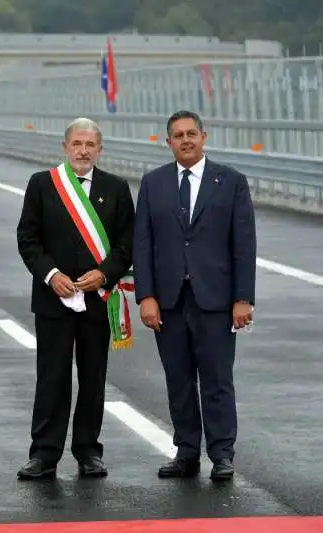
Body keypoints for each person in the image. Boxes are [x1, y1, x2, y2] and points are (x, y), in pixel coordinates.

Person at [132, 110, 256, 481]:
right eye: (178, 136)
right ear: (167, 142)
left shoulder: (230, 181)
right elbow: (143, 243)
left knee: (217, 379)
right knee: (178, 379)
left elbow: (243, 244)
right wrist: (146, 296)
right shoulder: (153, 183)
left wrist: (243, 298)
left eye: (192, 134)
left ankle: (222, 454)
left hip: (216, 300)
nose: (185, 140)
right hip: (168, 301)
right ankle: (187, 452)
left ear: (204, 136)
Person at [15, 117, 135, 480]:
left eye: (90, 145)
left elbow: (126, 244)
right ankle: (44, 454)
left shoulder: (115, 188)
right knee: (52, 377)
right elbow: (28, 239)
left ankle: (88, 451)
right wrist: (52, 276)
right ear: (65, 147)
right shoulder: (43, 184)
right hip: (54, 301)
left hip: (97, 298)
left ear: (100, 149)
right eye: (77, 144)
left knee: (93, 376)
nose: (83, 151)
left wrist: (105, 273)